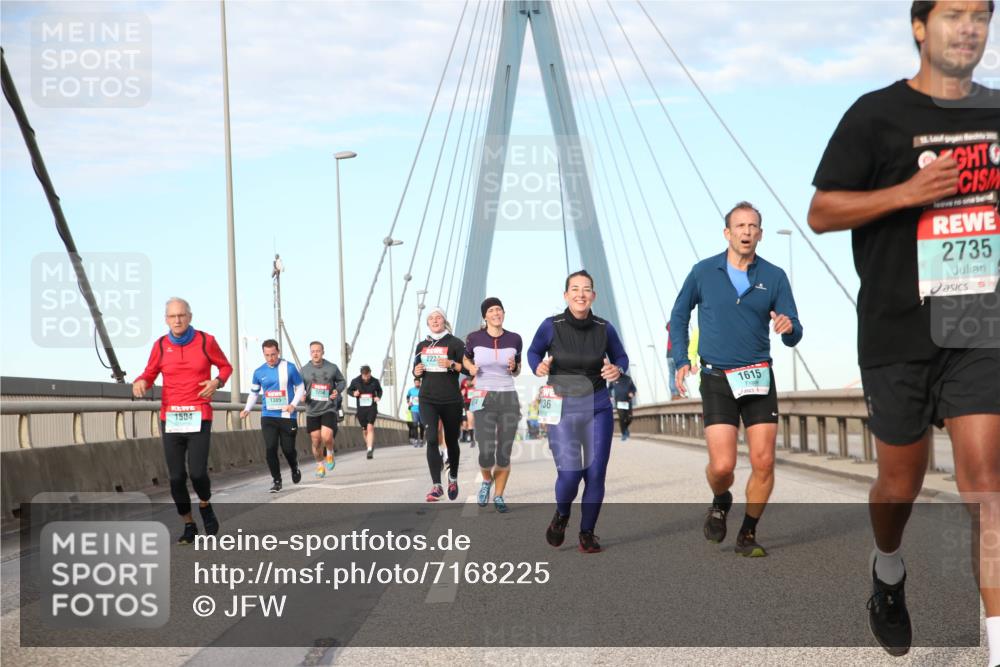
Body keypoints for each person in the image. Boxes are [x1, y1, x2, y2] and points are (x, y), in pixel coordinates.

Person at [807, 1, 999, 659]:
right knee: (900, 484)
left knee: (987, 485)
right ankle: (887, 568)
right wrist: (906, 194)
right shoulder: (875, 115)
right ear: (920, 27)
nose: (969, 26)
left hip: (978, 320)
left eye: (983, 13)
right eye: (953, 13)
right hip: (896, 330)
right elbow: (822, 211)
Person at [670, 201, 803, 559]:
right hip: (716, 377)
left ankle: (747, 532)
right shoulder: (703, 272)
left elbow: (794, 331)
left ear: (760, 234)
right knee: (723, 466)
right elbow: (679, 314)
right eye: (740, 226)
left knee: (764, 462)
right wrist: (681, 359)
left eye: (753, 226)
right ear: (727, 233)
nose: (747, 231)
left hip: (758, 376)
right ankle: (720, 498)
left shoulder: (774, 277)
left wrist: (788, 328)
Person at [528, 270, 629, 554]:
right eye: (575, 289)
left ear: (593, 295)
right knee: (570, 474)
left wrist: (617, 368)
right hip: (561, 405)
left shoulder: (604, 327)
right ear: (566, 295)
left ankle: (587, 533)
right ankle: (562, 515)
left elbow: (621, 356)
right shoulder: (551, 325)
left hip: (597, 405)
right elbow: (534, 352)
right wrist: (538, 366)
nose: (581, 294)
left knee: (596, 473)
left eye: (586, 289)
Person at [133, 297, 232, 544]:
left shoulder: (205, 341)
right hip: (172, 417)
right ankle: (189, 524)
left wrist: (216, 382)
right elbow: (150, 372)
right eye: (172, 316)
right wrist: (142, 381)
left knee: (197, 473)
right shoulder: (160, 345)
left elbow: (225, 368)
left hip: (199, 414)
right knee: (176, 477)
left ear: (189, 317)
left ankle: (206, 504)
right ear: (166, 319)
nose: (177, 320)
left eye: (181, 315)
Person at [463, 297, 523, 513]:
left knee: (504, 452)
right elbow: (465, 359)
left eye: (499, 309)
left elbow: (517, 370)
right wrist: (470, 367)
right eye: (492, 310)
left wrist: (515, 366)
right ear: (485, 316)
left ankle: (498, 495)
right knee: (486, 451)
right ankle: (486, 481)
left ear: (503, 313)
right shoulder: (473, 338)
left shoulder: (515, 339)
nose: (496, 313)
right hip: (483, 396)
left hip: (508, 396)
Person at [413, 306, 467, 502]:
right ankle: (437, 486)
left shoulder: (456, 343)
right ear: (427, 323)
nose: (435, 321)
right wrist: (417, 371)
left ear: (444, 320)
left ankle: (452, 478)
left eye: (438, 317)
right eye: (431, 318)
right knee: (432, 438)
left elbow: (469, 370)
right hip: (428, 399)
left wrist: (452, 364)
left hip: (451, 399)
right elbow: (416, 371)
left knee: (452, 442)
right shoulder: (421, 346)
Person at [241, 340, 304, 493]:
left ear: (278, 352)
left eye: (273, 355)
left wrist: (293, 404)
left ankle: (294, 467)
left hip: (287, 415)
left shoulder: (289, 367)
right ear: (263, 354)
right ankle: (277, 480)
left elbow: (301, 387)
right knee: (270, 448)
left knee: (288, 449)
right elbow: (254, 392)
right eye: (267, 355)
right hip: (268, 415)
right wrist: (247, 408)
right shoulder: (259, 372)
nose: (270, 358)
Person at [300, 341, 346, 478]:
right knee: (316, 441)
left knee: (326, 436)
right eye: (313, 351)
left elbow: (342, 381)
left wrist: (336, 391)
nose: (315, 353)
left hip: (328, 407)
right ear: (310, 353)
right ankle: (320, 464)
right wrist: (301, 395)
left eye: (318, 351)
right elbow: (297, 387)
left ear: (323, 352)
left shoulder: (332, 367)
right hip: (312, 409)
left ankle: (330, 453)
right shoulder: (303, 370)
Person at [347, 365, 383, 460]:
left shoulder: (375, 381)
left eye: (368, 375)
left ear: (370, 373)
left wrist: (378, 397)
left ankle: (369, 449)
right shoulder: (355, 381)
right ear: (362, 374)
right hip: (361, 409)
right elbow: (349, 390)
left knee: (370, 427)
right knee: (365, 430)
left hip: (372, 407)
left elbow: (379, 391)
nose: (367, 377)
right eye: (365, 376)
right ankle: (369, 445)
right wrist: (354, 393)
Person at [609, 373, 637, 440]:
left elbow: (634, 388)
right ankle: (624, 433)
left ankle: (625, 428)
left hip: (627, 401)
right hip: (619, 402)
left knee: (629, 418)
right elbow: (609, 389)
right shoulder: (613, 378)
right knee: (621, 418)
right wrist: (610, 396)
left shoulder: (628, 378)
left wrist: (632, 393)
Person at [406, 378, 425, 446]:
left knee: (422, 426)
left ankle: (422, 439)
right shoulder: (411, 390)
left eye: (418, 382)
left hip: (422, 410)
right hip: (414, 410)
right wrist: (408, 402)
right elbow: (407, 396)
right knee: (415, 425)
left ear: (420, 383)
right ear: (414, 383)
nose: (417, 383)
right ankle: (416, 440)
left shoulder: (423, 389)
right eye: (415, 382)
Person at [460, 376, 476, 446]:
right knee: (465, 422)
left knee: (470, 421)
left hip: (474, 402)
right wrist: (462, 393)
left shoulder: (477, 379)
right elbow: (461, 390)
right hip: (466, 403)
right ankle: (465, 437)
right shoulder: (464, 381)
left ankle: (472, 439)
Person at [665, 323, 679, 399]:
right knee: (680, 374)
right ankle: (677, 393)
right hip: (676, 353)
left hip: (668, 354)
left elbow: (667, 326)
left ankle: (673, 393)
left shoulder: (670, 326)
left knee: (671, 374)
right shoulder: (679, 325)